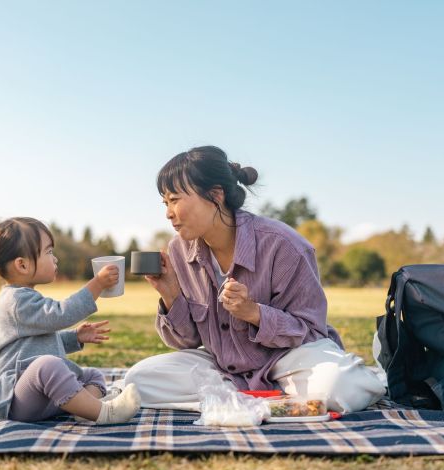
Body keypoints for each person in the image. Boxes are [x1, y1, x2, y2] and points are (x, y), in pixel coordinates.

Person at [123, 146, 385, 413]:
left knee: (340, 387)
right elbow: (186, 342)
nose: (168, 212)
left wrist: (254, 313)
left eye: (175, 199)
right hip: (224, 367)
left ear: (215, 195)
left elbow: (311, 330)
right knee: (138, 381)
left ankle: (236, 401)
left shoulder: (284, 246)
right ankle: (273, 402)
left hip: (289, 360)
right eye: (165, 203)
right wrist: (170, 294)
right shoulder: (179, 251)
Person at [0, 217, 141, 424]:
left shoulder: (25, 297)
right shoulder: (16, 301)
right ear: (22, 265)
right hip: (18, 399)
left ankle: (85, 410)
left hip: (43, 399)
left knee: (91, 375)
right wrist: (97, 284)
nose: (55, 259)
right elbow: (60, 314)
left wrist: (76, 337)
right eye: (48, 252)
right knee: (48, 365)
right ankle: (106, 413)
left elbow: (37, 342)